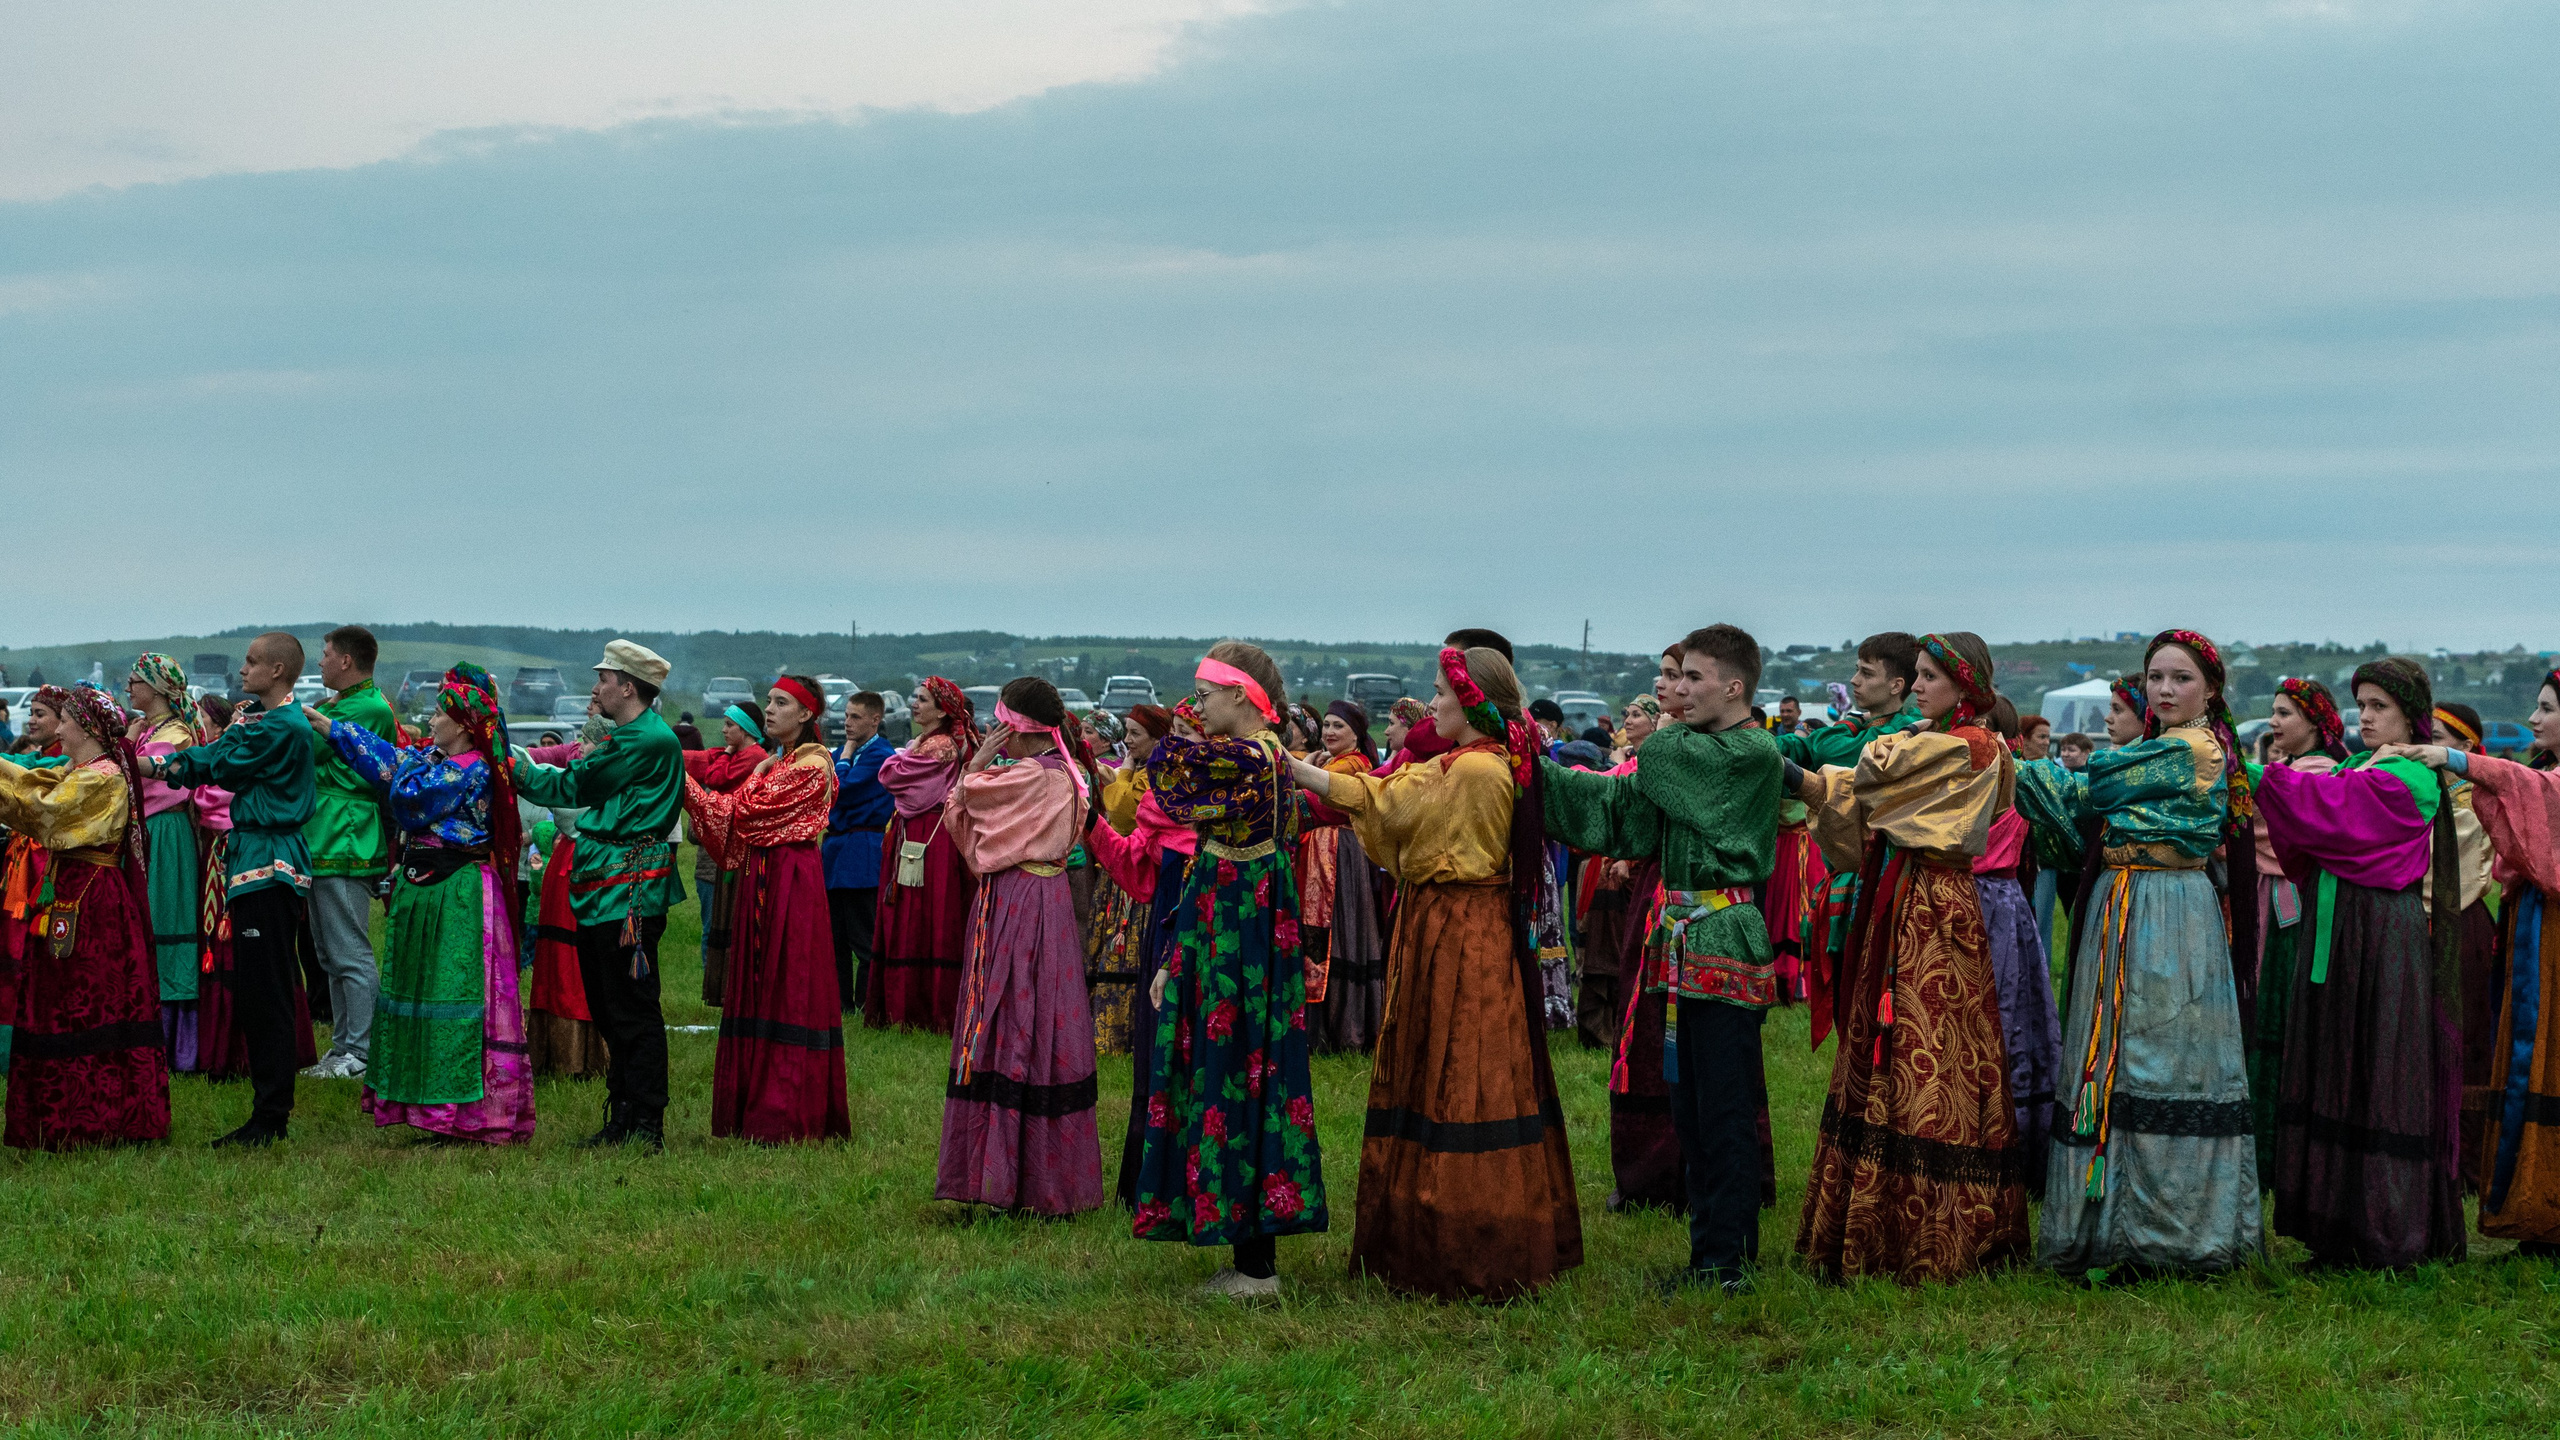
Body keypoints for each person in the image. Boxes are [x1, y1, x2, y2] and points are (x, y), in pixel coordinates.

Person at [1290, 644, 1579, 1299]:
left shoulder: (1477, 771)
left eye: (1444, 695)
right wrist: (1307, 773)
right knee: (1438, 1064)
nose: (1435, 705)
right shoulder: (1459, 761)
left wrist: (1299, 771)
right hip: (1439, 922)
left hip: (1463, 929)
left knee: (1466, 1069)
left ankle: (1469, 1243)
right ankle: (1423, 1231)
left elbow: (1390, 805)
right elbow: (1390, 797)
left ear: (1472, 701)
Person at [2013, 631, 2263, 1276]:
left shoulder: (2195, 749)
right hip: (2121, 901)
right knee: (2116, 1053)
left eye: (2181, 679)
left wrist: (2010, 761)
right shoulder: (2155, 744)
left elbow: (2096, 784)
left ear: (2210, 689)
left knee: (2163, 1052)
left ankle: (2174, 1235)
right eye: (2155, 677)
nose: (2165, 690)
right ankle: (2105, 1224)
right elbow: (2079, 819)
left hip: (2170, 909)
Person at [1541, 626, 1780, 1293]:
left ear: (1735, 687)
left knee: (1725, 1109)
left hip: (1723, 938)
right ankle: (1709, 1255)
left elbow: (1662, 759)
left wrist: (1666, 717)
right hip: (1681, 944)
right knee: (1692, 1111)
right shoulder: (1689, 752)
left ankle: (1729, 1264)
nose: (1675, 691)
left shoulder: (1748, 750)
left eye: (1692, 679)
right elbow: (1617, 807)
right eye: (1674, 679)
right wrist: (1532, 771)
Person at [1793, 631, 2028, 1284]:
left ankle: (1929, 1229)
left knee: (1934, 1048)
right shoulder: (1942, 741)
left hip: (1934, 907)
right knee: (1885, 1045)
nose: (1917, 685)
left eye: (1928, 676)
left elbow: (1878, 770)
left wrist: (1800, 775)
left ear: (1965, 685)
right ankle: (1874, 1220)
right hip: (1901, 897)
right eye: (1916, 675)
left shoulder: (1972, 745)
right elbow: (1874, 788)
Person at [2253, 656, 2466, 1269]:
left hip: (2380, 935)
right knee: (2335, 1065)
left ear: (2410, 716)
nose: (2365, 717)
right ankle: (2333, 1228)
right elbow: (2315, 815)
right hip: (2337, 932)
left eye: (2380, 707)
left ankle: (2385, 1231)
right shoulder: (2355, 764)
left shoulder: (2412, 777)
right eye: (2362, 705)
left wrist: (2257, 776)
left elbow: (2338, 810)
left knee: (2376, 1071)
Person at [1132, 642, 1329, 1299]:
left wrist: (1175, 728)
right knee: (1240, 1075)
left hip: (1243, 944)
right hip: (1228, 934)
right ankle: (1249, 1255)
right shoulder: (1256, 760)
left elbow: (1169, 769)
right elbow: (1208, 855)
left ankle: (1256, 1269)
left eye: (1206, 692)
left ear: (1240, 695)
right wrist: (1179, 953)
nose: (1197, 705)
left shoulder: (1250, 756)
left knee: (1243, 1075)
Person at [304, 664, 534, 1144]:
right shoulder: (439, 760)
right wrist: (335, 730)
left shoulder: (468, 772)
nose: (429, 721)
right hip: (429, 887)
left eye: (438, 713)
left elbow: (407, 794)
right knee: (421, 995)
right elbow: (396, 762)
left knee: (454, 997)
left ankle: (465, 1114)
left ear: (465, 726)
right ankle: (431, 1109)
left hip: (458, 893)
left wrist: (346, 736)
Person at [2374, 671, 2560, 1251]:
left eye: (2547, 708)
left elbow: (2531, 789)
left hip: (2551, 932)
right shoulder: (2544, 774)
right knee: (2532, 1056)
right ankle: (2537, 1208)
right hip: (2534, 926)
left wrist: (2457, 758)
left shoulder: (2546, 782)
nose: (2533, 719)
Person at [507, 641, 689, 1151]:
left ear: (628, 687)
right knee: (610, 1007)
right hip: (606, 886)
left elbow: (572, 787)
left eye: (603, 678)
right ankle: (625, 1113)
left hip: (626, 893)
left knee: (631, 1008)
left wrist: (509, 763)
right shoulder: (635, 734)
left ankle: (646, 1121)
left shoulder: (641, 740)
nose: (595, 688)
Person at [937, 677, 1105, 1214]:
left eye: (1001, 722)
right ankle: (1043, 1175)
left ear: (1015, 725)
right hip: (1047, 899)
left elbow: (963, 804)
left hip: (1017, 901)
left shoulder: (1029, 776)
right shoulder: (1067, 772)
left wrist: (976, 763)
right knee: (1045, 1015)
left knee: (1008, 1014)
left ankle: (1006, 1175)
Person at [145, 632, 316, 1147]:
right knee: (260, 989)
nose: (243, 671)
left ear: (279, 670)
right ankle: (268, 1111)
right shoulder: (268, 719)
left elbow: (224, 762)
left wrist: (165, 765)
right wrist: (183, 761)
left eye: (252, 662)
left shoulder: (281, 725)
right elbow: (221, 751)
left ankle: (270, 1117)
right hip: (255, 856)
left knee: (267, 992)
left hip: (269, 861)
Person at [0, 686, 171, 1148]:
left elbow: (45, 812)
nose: (59, 726)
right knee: (64, 995)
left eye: (67, 720)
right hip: (76, 892)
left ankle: (91, 1118)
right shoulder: (86, 771)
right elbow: (40, 785)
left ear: (87, 728)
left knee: (85, 997)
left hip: (94, 902)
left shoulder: (102, 778)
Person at [682, 675, 848, 1144]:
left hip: (791, 880)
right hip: (764, 874)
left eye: (781, 703)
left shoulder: (812, 766)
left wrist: (684, 783)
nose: (769, 710)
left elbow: (743, 813)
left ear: (807, 713)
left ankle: (784, 1110)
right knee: (758, 978)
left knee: (787, 982)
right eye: (770, 701)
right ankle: (752, 1103)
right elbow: (738, 809)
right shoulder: (777, 762)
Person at [1776, 632, 1922, 1047]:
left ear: (1897, 685)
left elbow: (1854, 756)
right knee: (1847, 995)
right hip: (1847, 877)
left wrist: (1805, 751)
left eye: (1866, 672)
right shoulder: (1855, 727)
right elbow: (1797, 746)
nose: (1854, 680)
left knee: (1878, 997)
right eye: (1856, 670)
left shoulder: (1904, 735)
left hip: (1887, 881)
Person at [2243, 676, 2350, 1182]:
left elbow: (2267, 825)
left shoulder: (2320, 774)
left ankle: (2280, 1149)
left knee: (2282, 1015)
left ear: (2315, 721)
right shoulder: (2285, 770)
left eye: (2284, 713)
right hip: (2271, 899)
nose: (2274, 721)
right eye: (2272, 711)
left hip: (2296, 907)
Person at [1975, 695, 2063, 1204]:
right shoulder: (2007, 768)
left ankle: (2005, 1143)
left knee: (2003, 1016)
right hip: (1998, 900)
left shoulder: (2010, 773)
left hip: (1993, 902)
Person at [300, 624, 397, 1082]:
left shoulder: (368, 707)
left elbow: (313, 749)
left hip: (346, 837)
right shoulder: (336, 704)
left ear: (345, 660)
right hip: (324, 837)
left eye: (324, 653)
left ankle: (361, 1052)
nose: (318, 661)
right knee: (328, 953)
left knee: (350, 951)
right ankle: (343, 1048)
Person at [868, 677, 981, 1031]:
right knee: (914, 914)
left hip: (932, 840)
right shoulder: (928, 742)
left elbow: (891, 776)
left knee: (929, 915)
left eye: (923, 699)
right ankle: (909, 1007)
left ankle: (926, 1008)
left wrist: (901, 757)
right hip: (916, 837)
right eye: (914, 698)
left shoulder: (941, 746)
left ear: (942, 709)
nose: (914, 704)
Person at [2430, 702, 2503, 1194]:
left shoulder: (2473, 800)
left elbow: (2441, 867)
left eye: (2436, 735)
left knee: (2468, 1036)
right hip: (2431, 924)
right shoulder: (2429, 792)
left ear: (2464, 747)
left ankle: (2469, 1162)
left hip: (2463, 923)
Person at [124, 654, 208, 1068]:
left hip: (166, 834)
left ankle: (175, 1044)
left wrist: (123, 744)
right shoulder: (153, 729)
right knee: (149, 919)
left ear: (156, 688)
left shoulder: (174, 734)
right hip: (151, 831)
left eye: (135, 680)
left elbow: (149, 783)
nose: (128, 687)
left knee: (165, 919)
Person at [1301, 700, 1387, 1054]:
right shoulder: (1332, 763)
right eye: (1328, 725)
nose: (1330, 732)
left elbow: (1323, 804)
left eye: (1339, 726)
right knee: (1323, 935)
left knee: (1339, 935)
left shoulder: (1354, 765)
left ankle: (1342, 1030)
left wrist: (1303, 779)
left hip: (1340, 860)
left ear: (1356, 733)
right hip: (1323, 856)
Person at [685, 704, 769, 1007]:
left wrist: (726, 753)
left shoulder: (753, 758)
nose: (723, 730)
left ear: (745, 730)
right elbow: (699, 761)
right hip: (725, 858)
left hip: (738, 855)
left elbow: (717, 777)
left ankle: (732, 992)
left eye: (729, 725)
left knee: (725, 926)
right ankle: (721, 992)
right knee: (717, 925)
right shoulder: (744, 754)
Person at [825, 691, 895, 1015]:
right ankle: (840, 1005)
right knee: (835, 937)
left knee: (862, 935)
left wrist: (846, 755)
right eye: (846, 716)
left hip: (861, 852)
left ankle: (868, 1004)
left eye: (855, 717)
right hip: (837, 850)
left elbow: (843, 787)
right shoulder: (844, 750)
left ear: (875, 720)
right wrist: (844, 756)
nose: (847, 723)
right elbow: (825, 789)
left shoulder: (881, 754)